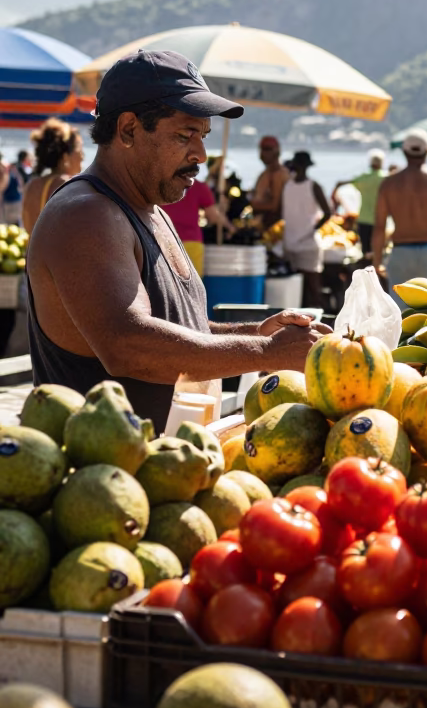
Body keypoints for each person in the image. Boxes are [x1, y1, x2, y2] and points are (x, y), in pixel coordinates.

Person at [26, 50, 329, 435]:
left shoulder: (150, 209)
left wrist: (256, 334)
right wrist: (268, 353)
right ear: (129, 129)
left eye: (202, 136)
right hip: (105, 481)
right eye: (185, 135)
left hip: (168, 469)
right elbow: (128, 344)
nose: (200, 154)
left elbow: (179, 328)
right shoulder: (86, 214)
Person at [372, 129, 427, 296]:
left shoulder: (389, 184)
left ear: (404, 151)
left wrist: (377, 262)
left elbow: (379, 227)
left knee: (401, 313)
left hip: (400, 252)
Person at [279, 151, 331, 307]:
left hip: (301, 244)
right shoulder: (291, 186)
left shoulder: (300, 186)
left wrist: (312, 229)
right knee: (306, 291)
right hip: (296, 243)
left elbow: (327, 213)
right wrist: (313, 229)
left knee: (310, 290)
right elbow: (327, 213)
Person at [162, 178, 236, 276]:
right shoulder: (198, 186)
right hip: (190, 241)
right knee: (192, 286)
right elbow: (213, 217)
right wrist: (231, 227)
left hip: (162, 240)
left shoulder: (160, 183)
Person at [22, 119, 85, 233]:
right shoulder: (69, 186)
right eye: (79, 150)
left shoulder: (32, 185)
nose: (82, 156)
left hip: (32, 250)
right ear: (65, 157)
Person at [332, 149, 386, 257]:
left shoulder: (363, 177)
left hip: (364, 218)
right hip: (380, 219)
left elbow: (340, 184)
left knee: (365, 250)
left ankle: (366, 271)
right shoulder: (385, 178)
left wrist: (335, 202)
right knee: (377, 250)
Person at [248, 136, 290, 228]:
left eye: (267, 149)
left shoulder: (279, 175)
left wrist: (253, 204)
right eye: (262, 149)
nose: (264, 153)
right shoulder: (264, 174)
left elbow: (275, 206)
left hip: (274, 228)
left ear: (276, 151)